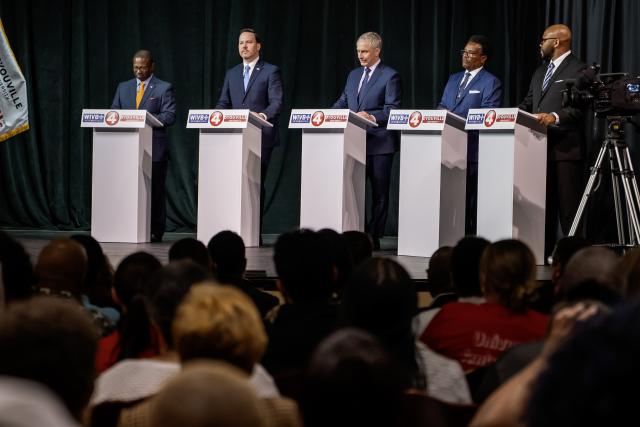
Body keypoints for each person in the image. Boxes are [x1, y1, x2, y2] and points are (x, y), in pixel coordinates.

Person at [519, 24, 587, 259]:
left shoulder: (580, 69)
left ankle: (574, 259)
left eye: (543, 39)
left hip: (566, 150)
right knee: (542, 209)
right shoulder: (539, 72)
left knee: (568, 209)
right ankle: (542, 253)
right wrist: (508, 115)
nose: (540, 44)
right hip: (537, 150)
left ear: (556, 42)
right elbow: (528, 103)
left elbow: (579, 109)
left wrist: (555, 117)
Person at [332, 31, 402, 250]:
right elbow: (343, 101)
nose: (360, 55)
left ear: (376, 51)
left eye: (364, 51)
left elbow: (393, 110)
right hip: (354, 142)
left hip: (379, 142)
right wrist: (328, 114)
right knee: (353, 189)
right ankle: (355, 234)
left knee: (379, 193)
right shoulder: (353, 75)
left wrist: (371, 116)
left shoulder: (390, 76)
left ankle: (374, 236)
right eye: (358, 51)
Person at [216, 28, 284, 239]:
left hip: (260, 136)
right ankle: (235, 228)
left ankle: (254, 230)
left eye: (248, 42)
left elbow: (277, 102)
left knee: (254, 183)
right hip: (234, 137)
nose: (244, 46)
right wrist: (218, 116)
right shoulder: (232, 73)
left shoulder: (270, 71)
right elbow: (223, 102)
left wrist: (263, 115)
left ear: (258, 46)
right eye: (240, 43)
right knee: (235, 183)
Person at [438, 35, 502, 234]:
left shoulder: (491, 82)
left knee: (471, 197)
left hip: (473, 149)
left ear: (483, 58)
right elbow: (442, 104)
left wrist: (457, 119)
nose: (465, 56)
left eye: (471, 53)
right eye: (464, 52)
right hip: (449, 148)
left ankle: (471, 237)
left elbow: (487, 113)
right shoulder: (453, 78)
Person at [111, 49, 176, 242]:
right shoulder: (123, 87)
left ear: (152, 66)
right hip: (126, 149)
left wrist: (143, 119)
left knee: (154, 191)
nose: (139, 71)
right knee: (126, 189)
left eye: (143, 67)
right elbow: (115, 111)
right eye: (135, 67)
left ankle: (156, 230)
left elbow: (169, 116)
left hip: (153, 150)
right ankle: (126, 225)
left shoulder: (163, 88)